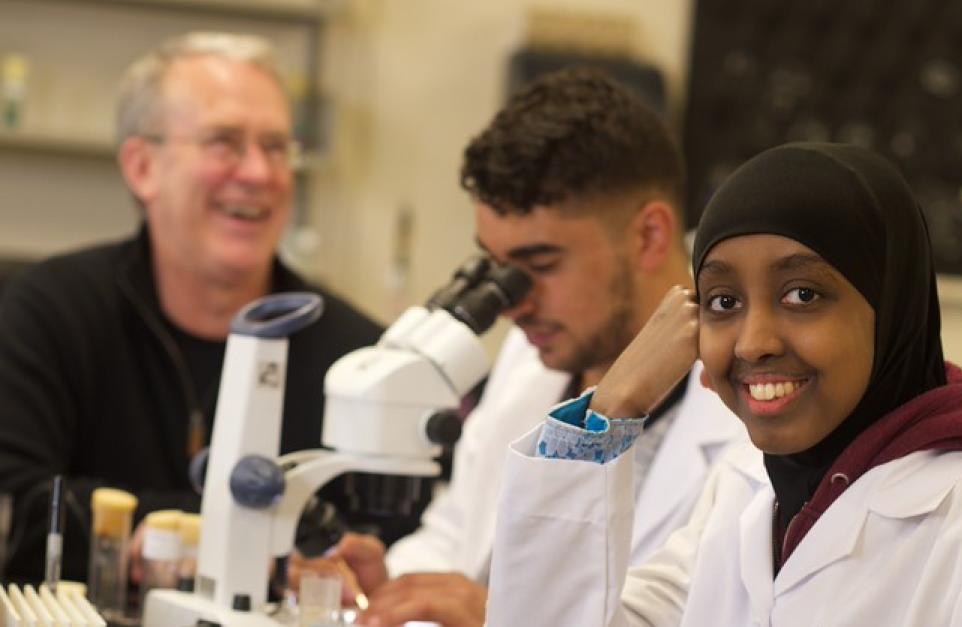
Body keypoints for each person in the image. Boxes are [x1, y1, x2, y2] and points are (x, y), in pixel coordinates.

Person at [484, 142, 962, 625]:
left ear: (891, 306)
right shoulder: (744, 496)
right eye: (722, 301)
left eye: (803, 293)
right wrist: (613, 405)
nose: (755, 340)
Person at [312, 68, 745, 626]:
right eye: (496, 268)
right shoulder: (534, 357)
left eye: (539, 265)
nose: (513, 304)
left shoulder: (745, 415)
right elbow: (458, 533)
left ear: (649, 235)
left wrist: (499, 615)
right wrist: (391, 586)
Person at [0, 32, 382, 583]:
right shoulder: (52, 312)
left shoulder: (357, 355)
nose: (258, 173)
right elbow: (23, 502)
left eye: (276, 147)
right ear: (142, 167)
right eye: (224, 143)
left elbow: (386, 534)